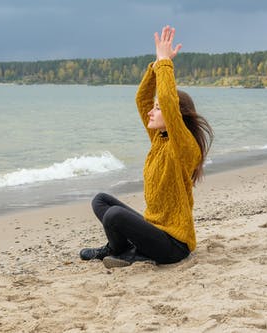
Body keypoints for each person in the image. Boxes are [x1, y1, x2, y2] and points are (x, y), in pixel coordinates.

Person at [80, 25, 213, 268]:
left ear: (176, 115)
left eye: (158, 108)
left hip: (174, 245)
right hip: (154, 231)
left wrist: (166, 64)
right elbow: (142, 99)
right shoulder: (158, 140)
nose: (151, 111)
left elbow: (170, 103)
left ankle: (122, 252)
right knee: (101, 201)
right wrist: (155, 65)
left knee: (115, 216)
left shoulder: (184, 147)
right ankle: (122, 249)